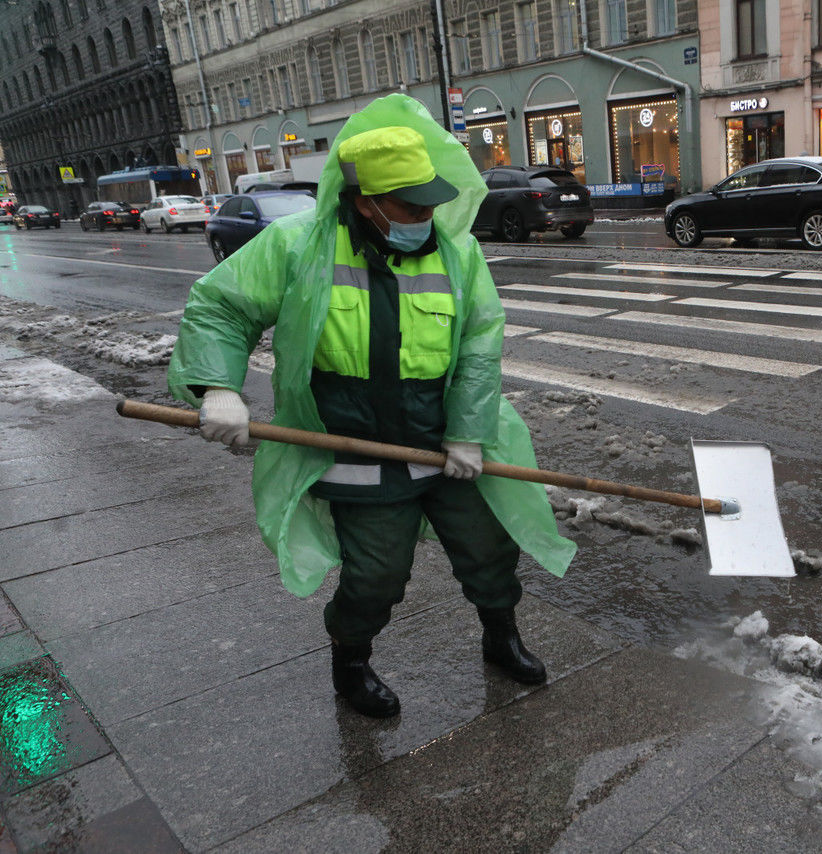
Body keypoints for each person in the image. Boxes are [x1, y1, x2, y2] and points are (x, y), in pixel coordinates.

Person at [168, 94, 577, 719]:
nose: (428, 214)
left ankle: (502, 637)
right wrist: (218, 387)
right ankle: (351, 661)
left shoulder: (456, 253)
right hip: (354, 444)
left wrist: (467, 433)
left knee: (490, 549)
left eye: (432, 201)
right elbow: (220, 307)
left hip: (446, 441)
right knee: (375, 576)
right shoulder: (297, 245)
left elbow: (478, 343)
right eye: (412, 205)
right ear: (366, 202)